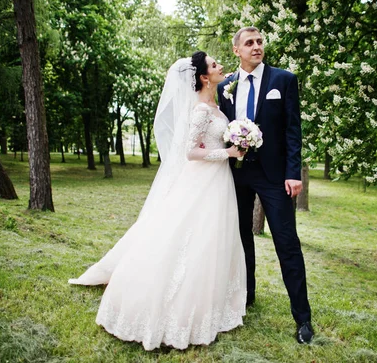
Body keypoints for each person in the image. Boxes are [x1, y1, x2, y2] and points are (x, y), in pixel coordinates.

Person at [69, 52, 246, 351]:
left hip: (219, 182)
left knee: (213, 240)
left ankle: (213, 303)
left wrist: (239, 142)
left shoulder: (216, 104)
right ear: (204, 77)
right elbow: (191, 152)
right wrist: (227, 154)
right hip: (202, 180)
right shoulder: (201, 109)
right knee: (191, 239)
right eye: (215, 65)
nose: (221, 67)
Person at [217, 26, 313, 344]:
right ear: (237, 51)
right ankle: (247, 296)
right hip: (238, 173)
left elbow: (292, 130)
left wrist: (293, 172)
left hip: (274, 177)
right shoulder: (226, 86)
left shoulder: (283, 80)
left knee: (287, 243)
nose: (257, 47)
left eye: (259, 42)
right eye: (249, 43)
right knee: (242, 238)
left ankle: (303, 318)